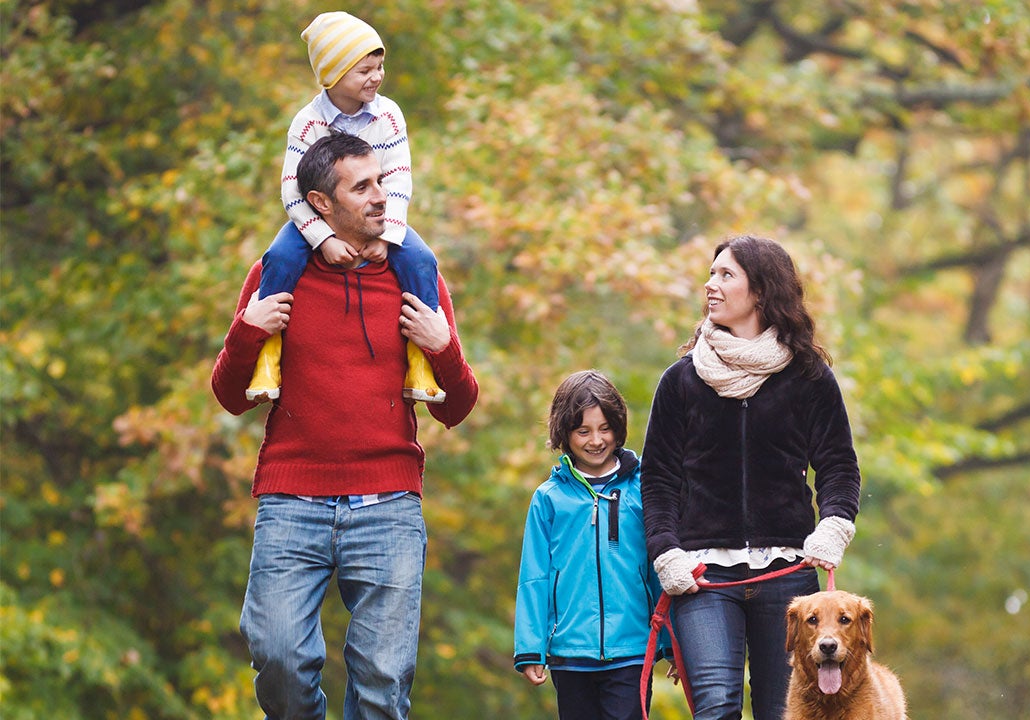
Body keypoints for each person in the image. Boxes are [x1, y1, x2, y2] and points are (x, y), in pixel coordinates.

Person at [211, 133, 478, 719]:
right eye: (363, 187)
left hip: (389, 507)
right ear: (321, 203)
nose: (382, 197)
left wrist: (445, 349)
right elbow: (230, 397)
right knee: (278, 658)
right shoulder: (276, 274)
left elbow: (456, 408)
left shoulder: (417, 280)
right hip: (290, 502)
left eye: (382, 181)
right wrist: (248, 329)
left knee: (383, 685)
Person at [640, 235, 861, 720]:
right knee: (716, 707)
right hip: (702, 578)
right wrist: (666, 551)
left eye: (725, 275)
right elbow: (657, 479)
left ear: (760, 292)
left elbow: (839, 465)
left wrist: (835, 524)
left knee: (781, 712)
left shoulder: (809, 378)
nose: (710, 285)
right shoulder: (680, 381)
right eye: (711, 273)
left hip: (788, 577)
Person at [246, 10, 445, 404]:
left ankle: (421, 360)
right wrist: (320, 239)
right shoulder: (307, 123)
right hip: (313, 219)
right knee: (280, 257)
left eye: (379, 66)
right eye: (364, 70)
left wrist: (388, 234)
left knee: (421, 261)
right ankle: (267, 354)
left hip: (380, 219)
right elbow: (292, 191)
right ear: (332, 77)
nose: (376, 76)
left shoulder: (388, 115)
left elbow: (399, 177)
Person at [514, 370, 669, 720]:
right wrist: (530, 648)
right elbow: (534, 578)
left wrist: (673, 645)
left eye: (605, 429)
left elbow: (661, 568)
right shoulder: (548, 499)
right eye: (583, 431)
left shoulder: (644, 489)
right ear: (564, 434)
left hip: (632, 650)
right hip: (570, 652)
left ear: (618, 428)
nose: (595, 440)